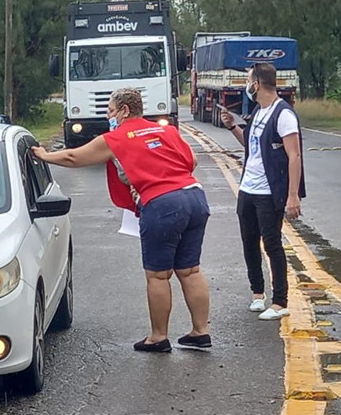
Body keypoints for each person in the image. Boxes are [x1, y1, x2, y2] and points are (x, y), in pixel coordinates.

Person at [32, 87, 211, 353]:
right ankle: (200, 332)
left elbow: (74, 156)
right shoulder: (166, 131)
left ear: (125, 110)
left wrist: (44, 156)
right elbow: (192, 160)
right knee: (190, 270)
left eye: (111, 111)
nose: (109, 116)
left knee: (159, 276)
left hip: (162, 205)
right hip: (194, 197)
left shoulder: (117, 137)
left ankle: (158, 337)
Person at [221, 62, 306, 321]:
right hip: (248, 188)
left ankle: (280, 301)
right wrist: (232, 127)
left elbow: (294, 155)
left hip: (269, 192)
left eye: (248, 80)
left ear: (256, 83)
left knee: (272, 244)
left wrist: (292, 195)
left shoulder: (284, 114)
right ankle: (258, 294)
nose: (247, 85)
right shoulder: (259, 111)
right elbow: (251, 144)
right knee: (249, 242)